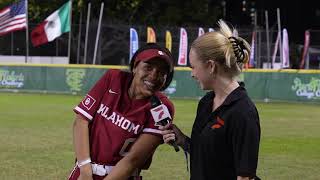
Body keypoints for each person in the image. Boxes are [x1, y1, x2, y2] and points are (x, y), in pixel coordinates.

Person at [161, 19, 261, 180]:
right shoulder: (206, 102)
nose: (192, 74)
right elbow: (209, 155)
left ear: (211, 66)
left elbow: (245, 176)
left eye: (193, 67)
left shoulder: (243, 112)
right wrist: (183, 141)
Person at [68, 43, 175, 180]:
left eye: (161, 72)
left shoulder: (162, 107)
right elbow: (81, 120)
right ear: (135, 67)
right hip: (85, 171)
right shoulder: (113, 78)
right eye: (148, 67)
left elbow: (133, 159)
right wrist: (84, 169)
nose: (154, 75)